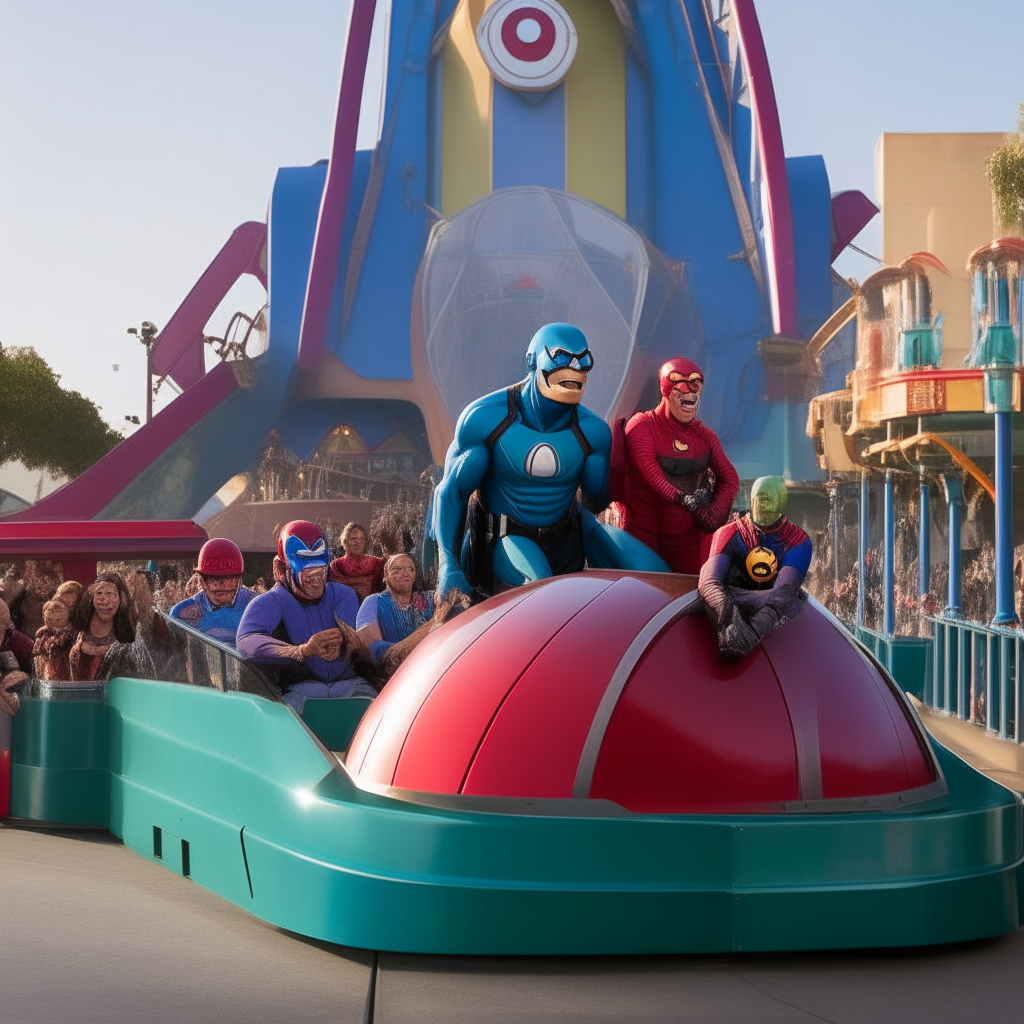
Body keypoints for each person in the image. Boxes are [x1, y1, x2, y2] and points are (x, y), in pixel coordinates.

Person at [433, 322, 667, 598]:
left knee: (660, 579)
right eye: (561, 357)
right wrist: (448, 564)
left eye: (584, 360)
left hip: (568, 533)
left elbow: (596, 501)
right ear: (533, 361)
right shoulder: (486, 419)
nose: (575, 367)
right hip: (508, 537)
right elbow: (450, 492)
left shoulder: (592, 431)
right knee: (542, 594)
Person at [236, 521, 375, 713]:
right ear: (283, 568)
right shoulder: (273, 600)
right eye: (307, 571)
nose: (316, 578)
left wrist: (356, 644)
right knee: (283, 716)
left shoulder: (344, 595)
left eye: (321, 569)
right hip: (299, 688)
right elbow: (246, 640)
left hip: (349, 683)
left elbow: (366, 645)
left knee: (379, 709)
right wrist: (301, 651)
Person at [617, 357, 739, 574]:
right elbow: (649, 471)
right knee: (642, 598)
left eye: (696, 385)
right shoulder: (642, 426)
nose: (690, 392)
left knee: (693, 598)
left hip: (685, 540)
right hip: (641, 535)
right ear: (666, 389)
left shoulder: (705, 437)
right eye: (681, 385)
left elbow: (730, 477)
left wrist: (714, 517)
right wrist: (684, 499)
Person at [698, 476, 812, 659]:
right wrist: (727, 613)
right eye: (761, 500)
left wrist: (751, 636)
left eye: (769, 501)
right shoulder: (729, 533)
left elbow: (782, 595)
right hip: (732, 602)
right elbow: (709, 581)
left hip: (773, 610)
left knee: (792, 603)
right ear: (752, 501)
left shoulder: (797, 541)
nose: (764, 507)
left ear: (781, 503)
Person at [355, 553, 459, 679]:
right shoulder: (373, 602)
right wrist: (433, 623)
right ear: (385, 574)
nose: (405, 574)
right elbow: (378, 654)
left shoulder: (429, 598)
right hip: (393, 681)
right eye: (397, 570)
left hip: (432, 673)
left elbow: (450, 601)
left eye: (411, 569)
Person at [55, 574, 154, 682]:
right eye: (99, 593)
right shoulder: (73, 635)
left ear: (121, 599)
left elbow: (144, 679)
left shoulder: (131, 641)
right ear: (91, 598)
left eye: (110, 594)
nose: (104, 600)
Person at [170, 539, 256, 647]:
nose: (220, 586)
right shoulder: (181, 612)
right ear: (202, 581)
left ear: (238, 579)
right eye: (213, 579)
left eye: (227, 579)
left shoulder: (255, 605)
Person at [329, 523, 384, 602]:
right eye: (353, 539)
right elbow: (337, 593)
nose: (357, 542)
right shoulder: (337, 565)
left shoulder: (376, 562)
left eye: (361, 539)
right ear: (345, 541)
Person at [32, 598, 73, 680]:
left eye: (58, 620)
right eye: (50, 620)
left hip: (64, 666)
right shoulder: (43, 634)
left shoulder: (69, 632)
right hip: (46, 667)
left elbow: (62, 643)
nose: (54, 622)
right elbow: (37, 651)